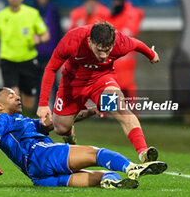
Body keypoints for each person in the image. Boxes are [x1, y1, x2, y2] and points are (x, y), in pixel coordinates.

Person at [0, 87, 167, 188]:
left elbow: (61, 121)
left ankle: (111, 182)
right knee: (96, 153)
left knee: (105, 175)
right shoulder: (1, 118)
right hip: (42, 155)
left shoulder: (22, 122)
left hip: (38, 176)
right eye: (10, 95)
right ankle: (132, 168)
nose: (17, 97)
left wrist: (91, 111)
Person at [37, 22, 160, 163]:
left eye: (107, 51)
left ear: (113, 44)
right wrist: (43, 104)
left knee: (120, 108)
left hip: (101, 79)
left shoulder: (121, 42)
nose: (103, 56)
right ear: (90, 41)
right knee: (60, 128)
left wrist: (151, 55)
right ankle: (74, 128)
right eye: (99, 50)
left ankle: (144, 153)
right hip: (72, 83)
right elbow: (51, 68)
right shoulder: (73, 40)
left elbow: (136, 44)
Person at [0, 0, 50, 112]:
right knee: (13, 95)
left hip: (28, 60)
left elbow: (45, 35)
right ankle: (15, 126)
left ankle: (23, 121)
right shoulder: (0, 16)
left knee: (28, 101)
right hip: (8, 61)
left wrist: (39, 39)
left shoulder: (32, 13)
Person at [108, 0, 144, 101]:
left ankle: (132, 112)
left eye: (117, 0)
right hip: (114, 58)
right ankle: (106, 113)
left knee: (126, 87)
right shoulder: (113, 15)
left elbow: (128, 32)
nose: (115, 3)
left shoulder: (130, 13)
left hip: (126, 57)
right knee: (109, 84)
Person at [34, 0, 62, 107]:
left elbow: (58, 31)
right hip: (37, 52)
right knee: (38, 79)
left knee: (53, 80)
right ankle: (38, 104)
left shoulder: (53, 11)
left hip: (51, 52)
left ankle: (56, 104)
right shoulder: (33, 12)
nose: (42, 0)